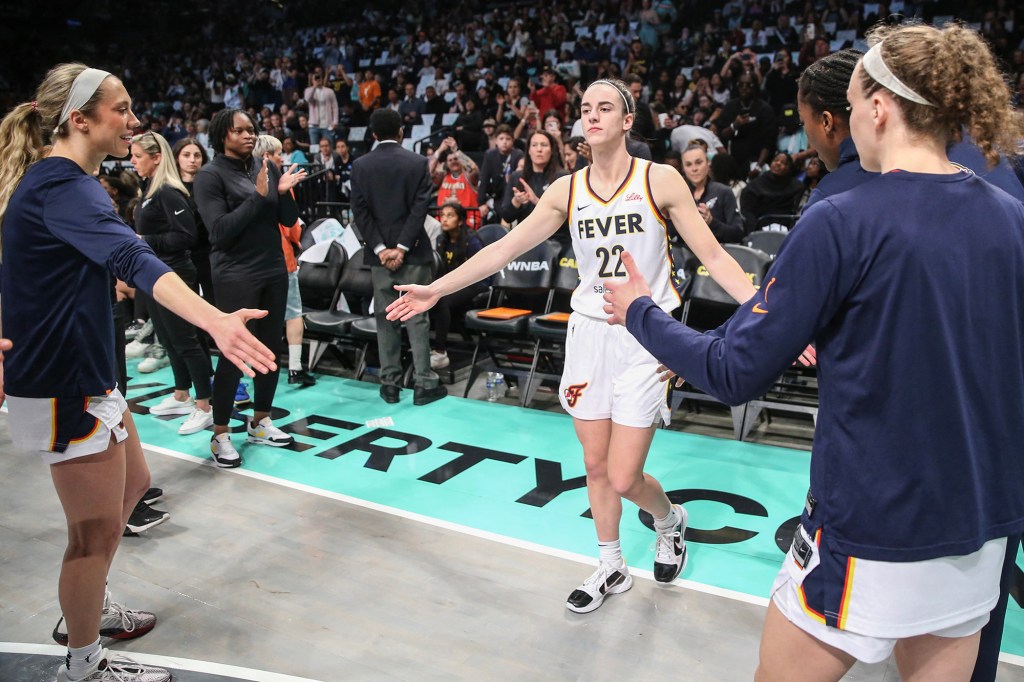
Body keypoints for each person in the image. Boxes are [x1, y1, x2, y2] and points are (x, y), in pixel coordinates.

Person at [602, 23, 1024, 681]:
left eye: (853, 106)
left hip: (871, 528)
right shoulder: (1010, 217)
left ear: (879, 108)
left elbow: (733, 370)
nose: (846, 123)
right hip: (980, 529)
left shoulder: (843, 217)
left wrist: (639, 312)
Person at [386, 78, 765, 614]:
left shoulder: (660, 180)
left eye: (604, 107)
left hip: (645, 333)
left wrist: (771, 316)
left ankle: (668, 519)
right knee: (594, 464)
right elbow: (505, 249)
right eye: (585, 108)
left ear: (628, 120)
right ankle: (611, 563)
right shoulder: (566, 189)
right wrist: (436, 288)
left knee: (624, 474)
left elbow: (718, 258)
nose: (591, 115)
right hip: (587, 332)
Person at [0, 63, 277, 682]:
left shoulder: (66, 184)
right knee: (91, 533)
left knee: (132, 489)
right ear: (79, 120)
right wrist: (214, 320)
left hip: (90, 371)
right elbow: (134, 253)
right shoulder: (62, 186)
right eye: (120, 110)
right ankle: (84, 662)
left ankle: (87, 608)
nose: (133, 121)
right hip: (62, 378)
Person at [795, 42, 1024, 682]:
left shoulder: (847, 200)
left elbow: (744, 362)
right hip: (996, 463)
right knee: (976, 608)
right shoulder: (1002, 183)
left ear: (869, 110)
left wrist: (646, 316)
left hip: (902, 484)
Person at [194, 108, 307, 467]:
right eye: (239, 131)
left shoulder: (267, 167)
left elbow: (286, 221)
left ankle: (260, 421)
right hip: (235, 273)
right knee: (235, 353)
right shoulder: (209, 176)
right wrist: (258, 197)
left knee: (269, 350)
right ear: (221, 135)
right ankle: (221, 433)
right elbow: (219, 231)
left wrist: (283, 193)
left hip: (273, 268)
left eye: (251, 130)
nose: (248, 135)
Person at [351, 108, 446, 407]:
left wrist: (382, 250)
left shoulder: (361, 165)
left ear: (374, 134)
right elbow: (420, 209)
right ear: (401, 132)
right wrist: (402, 247)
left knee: (386, 319)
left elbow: (360, 213)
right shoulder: (417, 163)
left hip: (379, 259)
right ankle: (424, 383)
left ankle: (389, 385)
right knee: (417, 318)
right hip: (414, 254)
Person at [129, 131, 215, 435]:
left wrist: (144, 240)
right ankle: (181, 394)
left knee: (186, 339)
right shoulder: (149, 188)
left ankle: (206, 405)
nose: (132, 161)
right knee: (167, 338)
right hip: (154, 274)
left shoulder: (167, 191)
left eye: (137, 156)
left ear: (156, 158)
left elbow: (185, 236)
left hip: (175, 273)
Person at [253, 134, 317, 387]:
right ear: (267, 156)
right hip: (282, 259)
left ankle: (259, 367)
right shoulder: (282, 184)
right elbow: (292, 229)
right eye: (279, 153)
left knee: (258, 317)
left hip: (255, 261)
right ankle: (295, 369)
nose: (283, 158)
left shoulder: (244, 180)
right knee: (292, 314)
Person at [429, 201, 490, 370]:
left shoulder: (472, 241)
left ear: (461, 220)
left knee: (442, 300)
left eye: (450, 216)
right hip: (453, 283)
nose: (444, 220)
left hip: (476, 282)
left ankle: (440, 352)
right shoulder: (441, 240)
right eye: (442, 216)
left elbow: (481, 270)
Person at [681, 142, 745, 243]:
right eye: (688, 164)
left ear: (708, 163)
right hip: (685, 255)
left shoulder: (723, 192)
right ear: (683, 169)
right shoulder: (679, 196)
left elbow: (738, 233)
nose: (694, 169)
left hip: (719, 253)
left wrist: (711, 222)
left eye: (698, 162)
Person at [740, 152, 804, 231]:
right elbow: (747, 211)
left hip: (787, 229)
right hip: (758, 228)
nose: (778, 163)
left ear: (789, 168)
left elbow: (797, 212)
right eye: (776, 160)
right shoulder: (755, 185)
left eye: (783, 163)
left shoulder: (797, 187)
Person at [475, 124, 524, 224]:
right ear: (496, 141)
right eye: (501, 139)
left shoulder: (518, 154)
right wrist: (481, 203)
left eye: (508, 139)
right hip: (496, 197)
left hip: (513, 196)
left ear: (513, 141)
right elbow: (483, 179)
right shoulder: (490, 155)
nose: (504, 142)